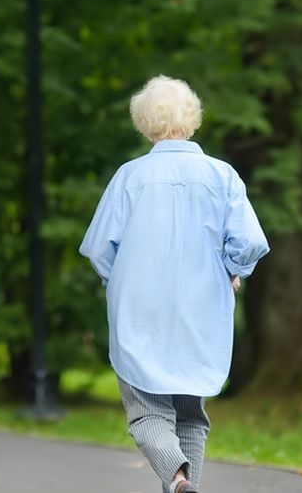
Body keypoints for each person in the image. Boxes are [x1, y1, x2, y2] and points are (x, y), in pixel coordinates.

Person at [79, 75, 270, 493]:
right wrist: (232, 271)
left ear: (144, 123)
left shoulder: (130, 176)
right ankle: (185, 485)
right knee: (190, 414)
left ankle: (178, 479)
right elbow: (251, 242)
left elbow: (97, 249)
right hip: (201, 309)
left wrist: (120, 280)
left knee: (146, 411)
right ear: (192, 119)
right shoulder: (223, 176)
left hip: (139, 310)